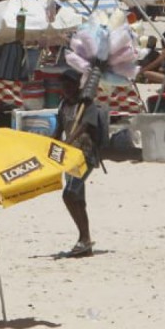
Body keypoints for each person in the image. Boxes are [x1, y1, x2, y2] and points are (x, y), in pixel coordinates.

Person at [54, 68, 102, 257]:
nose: (65, 87)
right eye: (63, 84)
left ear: (76, 85)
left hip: (85, 155)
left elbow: (84, 127)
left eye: (68, 84)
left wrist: (70, 139)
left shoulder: (87, 104)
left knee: (70, 193)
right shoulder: (63, 105)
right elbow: (58, 129)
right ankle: (85, 240)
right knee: (78, 199)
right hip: (69, 155)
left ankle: (84, 238)